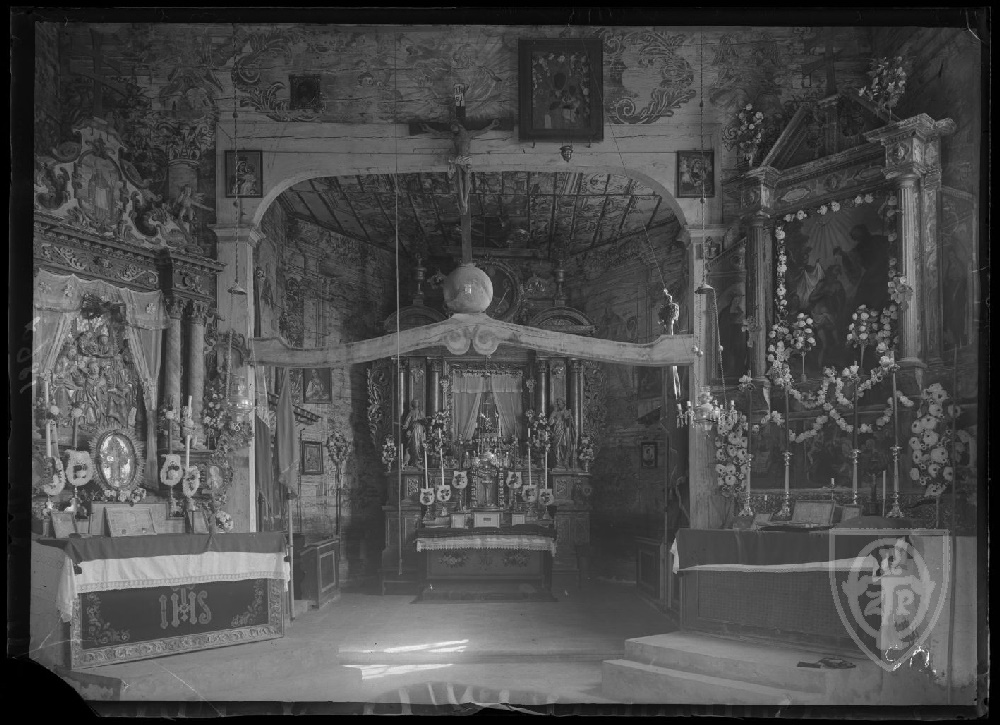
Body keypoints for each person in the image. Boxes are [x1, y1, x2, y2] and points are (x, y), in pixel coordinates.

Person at [420, 119, 499, 215]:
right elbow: (439, 134)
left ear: (459, 126)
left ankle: (464, 200)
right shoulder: (453, 136)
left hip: (466, 159)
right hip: (458, 159)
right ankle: (462, 202)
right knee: (458, 180)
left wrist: (492, 125)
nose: (452, 129)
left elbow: (482, 131)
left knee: (466, 178)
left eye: (453, 127)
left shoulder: (469, 134)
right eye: (451, 128)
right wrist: (428, 129)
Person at [548, 398, 575, 469]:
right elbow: (550, 423)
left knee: (565, 446)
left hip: (565, 432)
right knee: (556, 447)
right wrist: (553, 417)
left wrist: (569, 419)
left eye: (560, 404)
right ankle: (557, 462)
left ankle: (565, 462)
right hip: (557, 432)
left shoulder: (567, 412)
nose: (558, 405)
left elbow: (572, 424)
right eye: (557, 404)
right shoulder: (555, 412)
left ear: (563, 404)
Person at [402, 399, 427, 467]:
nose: (416, 404)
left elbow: (425, 421)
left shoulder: (421, 412)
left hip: (420, 430)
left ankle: (419, 461)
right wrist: (405, 426)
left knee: (421, 445)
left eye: (417, 402)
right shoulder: (411, 412)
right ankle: (414, 460)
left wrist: (422, 420)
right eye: (415, 402)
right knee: (414, 445)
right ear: (413, 404)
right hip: (413, 430)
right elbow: (407, 420)